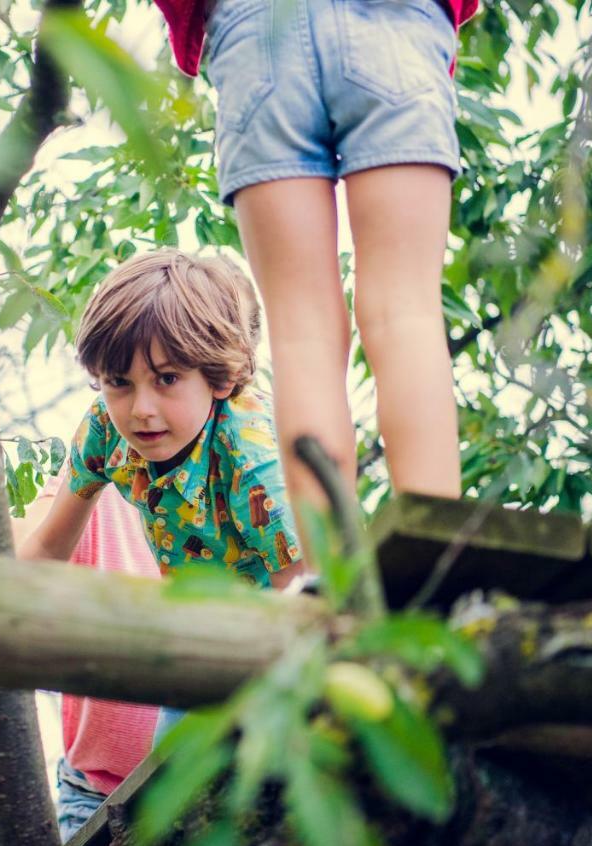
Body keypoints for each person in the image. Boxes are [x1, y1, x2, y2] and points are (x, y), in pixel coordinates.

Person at [149, 0, 478, 548]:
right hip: (395, 20)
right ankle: (436, 557)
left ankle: (332, 573)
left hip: (257, 28)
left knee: (303, 332)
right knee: (407, 314)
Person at [18, 249, 304, 590]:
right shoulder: (105, 426)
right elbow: (49, 548)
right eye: (119, 382)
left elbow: (301, 587)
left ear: (222, 378)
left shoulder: (250, 457)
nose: (141, 409)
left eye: (166, 379)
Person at [15, 480, 162, 842]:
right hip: (97, 794)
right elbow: (13, 559)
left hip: (213, 776)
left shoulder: (241, 472)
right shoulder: (95, 480)